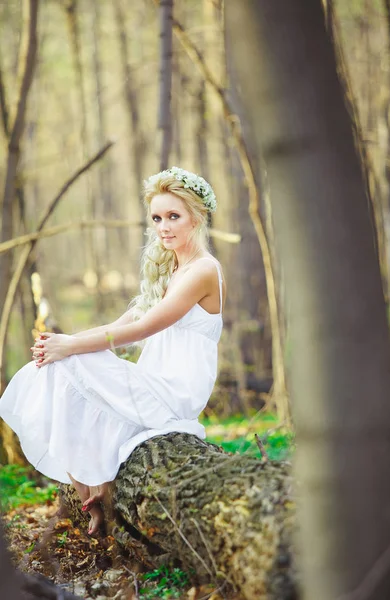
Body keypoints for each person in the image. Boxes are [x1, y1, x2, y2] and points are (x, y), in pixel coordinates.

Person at [0, 167, 225, 535]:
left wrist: (69, 345)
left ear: (197, 217)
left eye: (173, 216)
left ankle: (96, 490)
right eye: (157, 218)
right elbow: (120, 324)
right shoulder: (171, 269)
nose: (163, 227)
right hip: (153, 382)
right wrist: (64, 344)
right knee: (59, 367)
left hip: (175, 393)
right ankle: (90, 490)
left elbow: (142, 329)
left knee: (70, 361)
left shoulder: (203, 270)